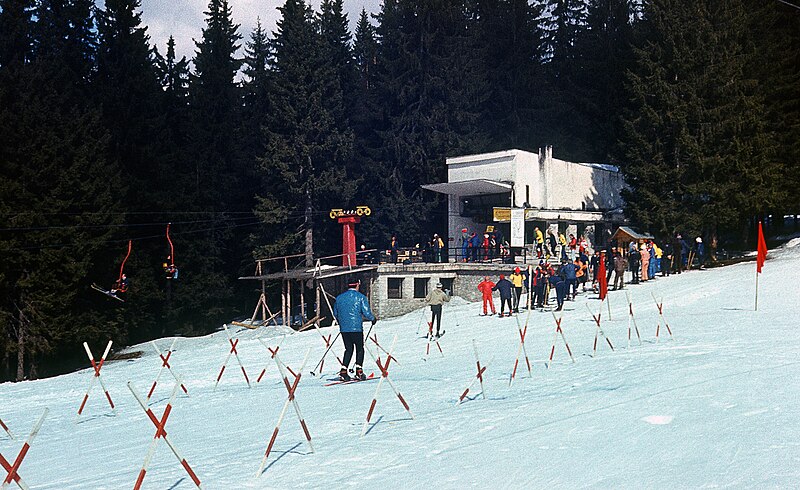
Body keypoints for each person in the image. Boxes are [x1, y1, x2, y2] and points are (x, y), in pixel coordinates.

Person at [333, 280, 376, 381]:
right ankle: (359, 371)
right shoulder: (360, 297)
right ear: (357, 285)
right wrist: (372, 318)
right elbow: (366, 312)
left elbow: (336, 313)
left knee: (348, 349)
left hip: (344, 328)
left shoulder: (339, 298)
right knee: (359, 348)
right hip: (356, 327)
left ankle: (344, 371)